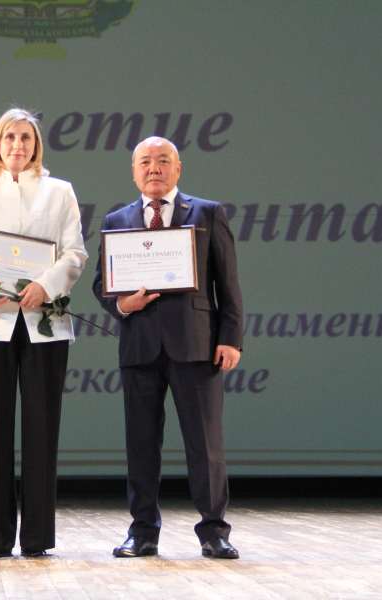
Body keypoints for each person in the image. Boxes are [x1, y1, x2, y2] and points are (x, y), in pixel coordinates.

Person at [92, 136, 244, 559]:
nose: (153, 168)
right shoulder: (117, 219)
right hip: (139, 347)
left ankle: (214, 531)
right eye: (145, 161)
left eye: (163, 160)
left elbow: (228, 282)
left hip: (197, 345)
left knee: (205, 443)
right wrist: (123, 304)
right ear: (134, 172)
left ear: (178, 169)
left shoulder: (207, 213)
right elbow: (102, 283)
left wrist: (231, 337)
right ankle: (142, 532)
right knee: (141, 445)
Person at [0, 108, 88, 557]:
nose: (17, 145)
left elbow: (74, 253)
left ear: (36, 144)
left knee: (42, 430)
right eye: (9, 136)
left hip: (43, 323)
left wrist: (45, 286)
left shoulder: (60, 190)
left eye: (26, 137)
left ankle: (37, 538)